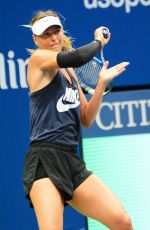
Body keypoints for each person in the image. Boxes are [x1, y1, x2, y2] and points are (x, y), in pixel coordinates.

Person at [23, 10, 133, 230]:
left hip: (71, 161)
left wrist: (101, 84)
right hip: (44, 160)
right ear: (36, 39)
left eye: (56, 31)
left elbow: (86, 118)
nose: (54, 37)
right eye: (46, 34)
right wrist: (98, 42)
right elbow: (78, 56)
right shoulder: (38, 59)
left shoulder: (71, 72)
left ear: (62, 32)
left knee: (122, 222)